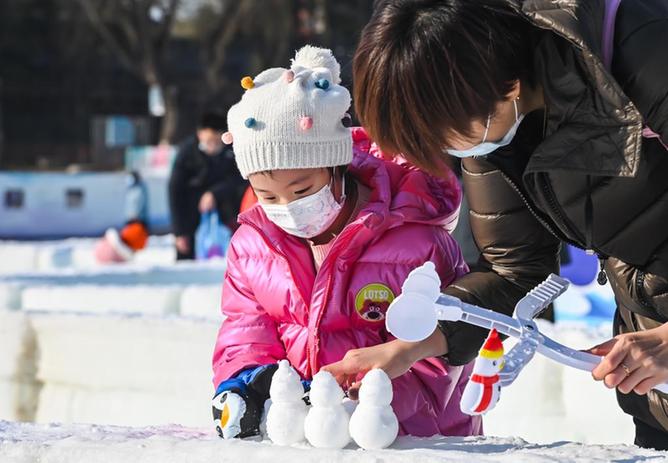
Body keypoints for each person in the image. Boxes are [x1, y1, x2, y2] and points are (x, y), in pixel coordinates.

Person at [349, 0, 668, 450]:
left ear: (508, 84)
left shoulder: (645, 52)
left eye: (444, 134)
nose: (445, 150)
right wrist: (415, 345)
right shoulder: (491, 125)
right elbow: (513, 271)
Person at [210, 46, 481, 440]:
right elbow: (246, 328)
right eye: (267, 196)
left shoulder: (416, 242)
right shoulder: (253, 245)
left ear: (338, 167)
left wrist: (367, 401)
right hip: (306, 436)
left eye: (302, 189)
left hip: (411, 437)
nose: (288, 207)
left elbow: (448, 349)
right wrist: (248, 382)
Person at [168, 112, 246, 260]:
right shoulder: (186, 153)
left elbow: (240, 178)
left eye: (217, 142)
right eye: (209, 141)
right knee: (186, 259)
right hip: (190, 216)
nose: (213, 146)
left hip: (224, 216)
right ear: (200, 134)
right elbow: (175, 191)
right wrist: (179, 233)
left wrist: (214, 193)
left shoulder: (231, 151)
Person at [94, 171, 150, 263]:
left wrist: (135, 217)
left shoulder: (139, 189)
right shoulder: (132, 190)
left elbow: (137, 205)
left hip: (136, 221)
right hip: (132, 222)